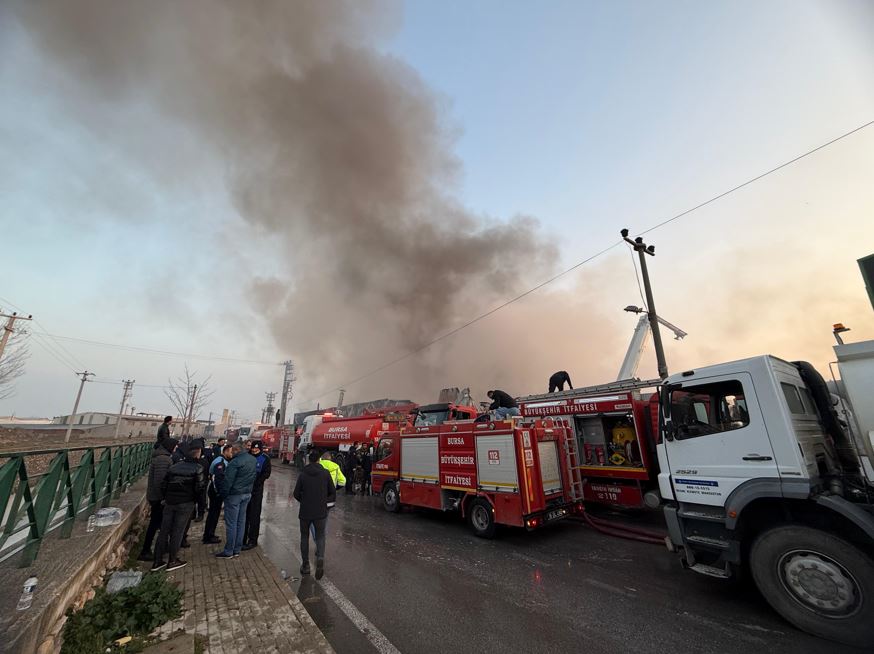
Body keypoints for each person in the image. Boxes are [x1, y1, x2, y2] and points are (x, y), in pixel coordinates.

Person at [153, 443, 205, 572]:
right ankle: (172, 560)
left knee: (164, 531)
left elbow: (164, 485)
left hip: (170, 503)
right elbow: (200, 489)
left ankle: (157, 561)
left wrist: (166, 498)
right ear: (197, 454)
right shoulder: (198, 468)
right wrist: (198, 504)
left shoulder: (174, 467)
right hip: (186, 503)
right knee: (178, 531)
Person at [293, 449, 336, 579]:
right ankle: (320, 559)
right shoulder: (325, 473)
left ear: (309, 460)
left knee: (304, 537)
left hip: (305, 512)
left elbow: (296, 493)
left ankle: (305, 565)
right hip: (320, 512)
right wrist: (324, 502)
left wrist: (304, 501)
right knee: (320, 536)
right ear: (318, 460)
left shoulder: (303, 474)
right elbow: (332, 492)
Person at [215, 442, 257, 559]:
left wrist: (223, 494)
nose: (231, 452)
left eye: (233, 450)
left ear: (237, 450)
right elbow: (254, 476)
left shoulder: (235, 463)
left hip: (234, 495)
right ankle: (237, 549)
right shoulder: (252, 460)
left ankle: (229, 551)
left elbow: (228, 481)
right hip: (246, 494)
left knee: (231, 523)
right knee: (241, 522)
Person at [138, 437, 177, 561]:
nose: (176, 449)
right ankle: (146, 550)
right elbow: (160, 481)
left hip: (156, 496)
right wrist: (163, 498)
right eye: (175, 446)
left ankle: (159, 546)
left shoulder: (162, 457)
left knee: (159, 523)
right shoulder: (163, 460)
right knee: (155, 523)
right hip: (158, 497)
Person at [243, 441, 272, 550]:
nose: (254, 450)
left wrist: (257, 482)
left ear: (260, 449)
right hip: (245, 489)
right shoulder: (247, 456)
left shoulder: (265, 458)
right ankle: (242, 538)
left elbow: (267, 473)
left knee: (254, 516)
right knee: (244, 515)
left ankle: (252, 540)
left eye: (256, 449)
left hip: (256, 491)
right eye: (253, 449)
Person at [202, 443, 233, 544]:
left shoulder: (223, 460)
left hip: (216, 490)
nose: (232, 454)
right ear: (226, 451)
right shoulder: (220, 462)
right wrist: (220, 492)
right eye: (231, 452)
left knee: (214, 514)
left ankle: (210, 534)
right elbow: (217, 479)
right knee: (213, 514)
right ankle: (208, 536)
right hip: (216, 491)